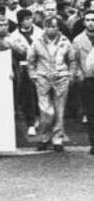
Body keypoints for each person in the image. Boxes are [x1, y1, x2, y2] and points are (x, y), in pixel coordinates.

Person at [28, 16, 78, 151]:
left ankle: (58, 140)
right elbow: (31, 60)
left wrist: (71, 75)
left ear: (58, 28)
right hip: (43, 77)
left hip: (61, 77)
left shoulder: (65, 41)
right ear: (44, 28)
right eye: (48, 26)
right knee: (45, 110)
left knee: (59, 110)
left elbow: (72, 60)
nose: (51, 29)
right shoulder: (37, 41)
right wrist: (34, 75)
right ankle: (44, 137)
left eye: (54, 26)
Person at [72, 10, 94, 154]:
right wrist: (78, 74)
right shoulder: (78, 40)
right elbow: (74, 60)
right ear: (84, 22)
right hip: (88, 80)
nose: (91, 23)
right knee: (91, 112)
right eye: (88, 20)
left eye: (93, 19)